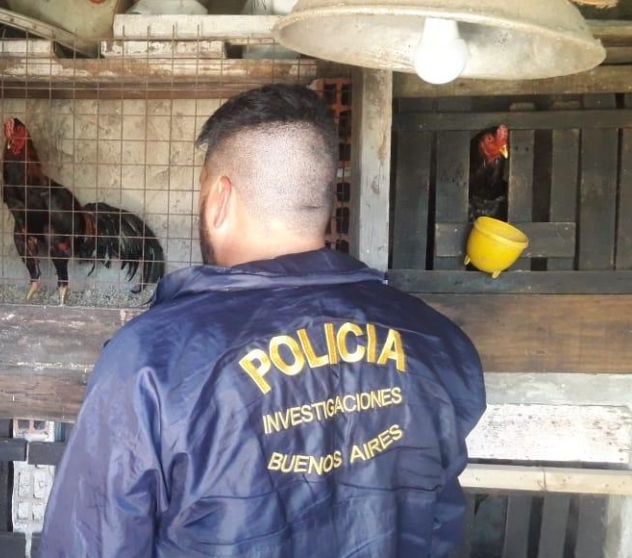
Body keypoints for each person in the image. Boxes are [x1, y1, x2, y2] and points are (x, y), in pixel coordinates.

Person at [39, 84, 486, 557]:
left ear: (220, 200)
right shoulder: (435, 341)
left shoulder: (149, 362)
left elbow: (91, 542)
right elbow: (440, 521)